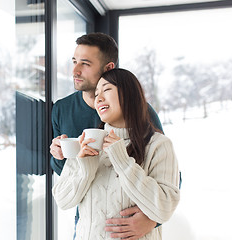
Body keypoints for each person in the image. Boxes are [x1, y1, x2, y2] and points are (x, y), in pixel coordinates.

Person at [50, 32, 163, 239]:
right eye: (74, 61)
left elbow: (168, 175)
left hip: (131, 224)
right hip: (87, 221)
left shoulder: (141, 110)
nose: (75, 70)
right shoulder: (61, 109)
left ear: (108, 68)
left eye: (85, 63)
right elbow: (66, 177)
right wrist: (59, 157)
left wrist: (152, 220)